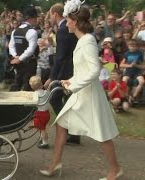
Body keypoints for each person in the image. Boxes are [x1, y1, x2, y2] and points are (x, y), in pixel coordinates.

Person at [39, 2, 122, 180]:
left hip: (89, 95)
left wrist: (74, 85)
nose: (66, 23)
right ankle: (55, 163)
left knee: (102, 133)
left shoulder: (87, 41)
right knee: (61, 124)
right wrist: (71, 81)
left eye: (68, 20)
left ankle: (114, 169)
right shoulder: (84, 40)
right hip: (81, 93)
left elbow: (94, 71)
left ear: (75, 21)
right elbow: (85, 70)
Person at [44, 3, 79, 145]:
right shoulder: (66, 28)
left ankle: (68, 130)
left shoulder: (63, 30)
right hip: (71, 69)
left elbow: (61, 56)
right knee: (68, 100)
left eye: (50, 15)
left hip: (65, 71)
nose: (48, 18)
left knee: (55, 98)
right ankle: (73, 133)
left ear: (55, 14)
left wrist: (52, 77)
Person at [8, 6, 38, 91]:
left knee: (17, 83)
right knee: (28, 87)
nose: (36, 20)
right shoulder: (32, 31)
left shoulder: (15, 31)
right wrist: (19, 58)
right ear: (31, 18)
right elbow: (31, 49)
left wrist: (15, 56)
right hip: (29, 63)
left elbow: (11, 46)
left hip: (18, 63)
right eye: (36, 17)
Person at [119, 39, 144, 104]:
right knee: (124, 81)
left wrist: (136, 65)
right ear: (128, 46)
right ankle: (125, 96)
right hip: (128, 71)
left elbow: (143, 66)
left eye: (134, 46)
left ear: (136, 46)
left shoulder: (139, 53)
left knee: (142, 81)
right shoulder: (127, 54)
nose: (132, 47)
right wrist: (129, 65)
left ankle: (133, 96)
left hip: (137, 72)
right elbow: (121, 65)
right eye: (131, 46)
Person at [29, 76, 50, 149]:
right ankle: (44, 138)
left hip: (40, 114)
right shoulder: (46, 92)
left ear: (32, 87)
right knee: (43, 128)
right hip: (47, 113)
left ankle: (45, 142)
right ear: (41, 84)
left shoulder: (35, 94)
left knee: (42, 129)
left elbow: (34, 103)